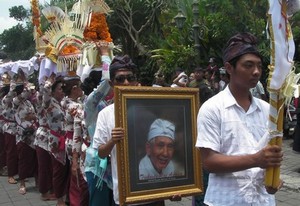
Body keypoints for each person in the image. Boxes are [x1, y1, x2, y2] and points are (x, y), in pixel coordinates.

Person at [195, 32, 283, 206]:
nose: (256, 72)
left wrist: (273, 179)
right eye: (248, 65)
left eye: (259, 66)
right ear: (229, 68)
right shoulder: (212, 108)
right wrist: (256, 159)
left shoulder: (268, 110)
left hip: (262, 200)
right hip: (226, 200)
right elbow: (209, 162)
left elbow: (272, 154)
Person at [93, 55, 176, 205]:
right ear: (112, 84)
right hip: (126, 195)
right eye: (120, 79)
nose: (126, 82)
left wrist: (174, 188)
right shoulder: (106, 114)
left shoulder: (152, 109)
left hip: (155, 194)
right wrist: (113, 140)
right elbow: (101, 152)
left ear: (136, 81)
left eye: (130, 78)